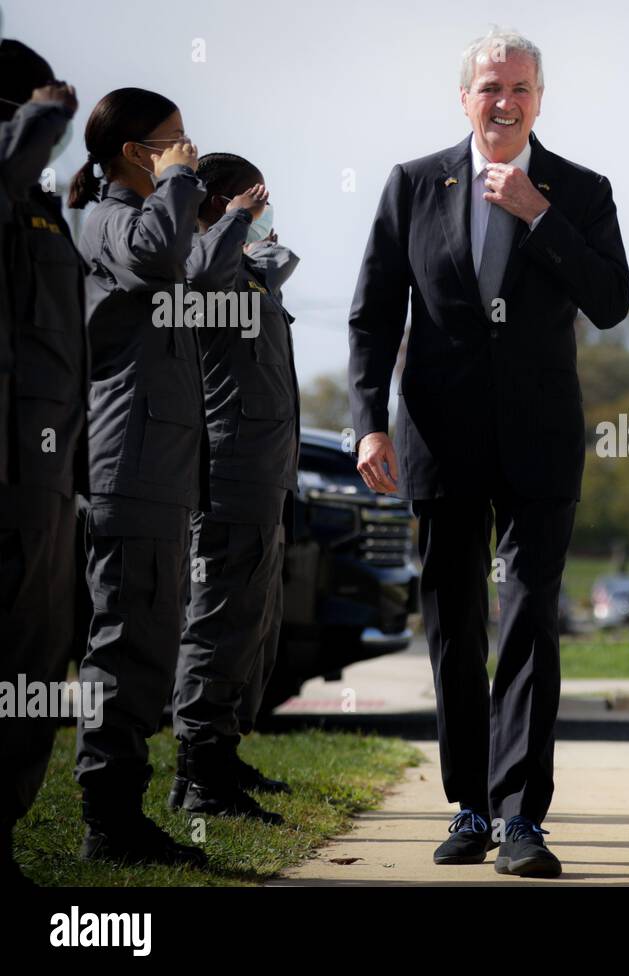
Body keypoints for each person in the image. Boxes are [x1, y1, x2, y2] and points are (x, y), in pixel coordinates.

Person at [348, 27, 629, 878]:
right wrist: (369, 420)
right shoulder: (412, 186)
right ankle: (468, 806)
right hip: (437, 438)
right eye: (488, 88)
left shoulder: (580, 190)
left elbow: (612, 300)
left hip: (541, 441)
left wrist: (539, 218)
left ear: (540, 99)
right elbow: (371, 316)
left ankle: (520, 818)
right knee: (452, 625)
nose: (503, 102)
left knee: (531, 620)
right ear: (464, 98)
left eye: (519, 88)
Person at [67, 88, 214, 866]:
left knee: (146, 643)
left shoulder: (136, 216)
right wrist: (183, 182)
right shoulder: (116, 219)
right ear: (135, 152)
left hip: (156, 469)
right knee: (125, 644)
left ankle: (118, 816)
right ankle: (109, 821)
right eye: (174, 141)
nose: (186, 151)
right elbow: (160, 254)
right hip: (131, 466)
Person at [168, 151, 295, 825]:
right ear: (217, 202)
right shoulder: (202, 265)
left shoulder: (244, 273)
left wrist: (254, 237)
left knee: (250, 623)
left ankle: (222, 752)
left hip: (263, 476)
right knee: (217, 622)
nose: (265, 207)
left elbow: (255, 275)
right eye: (253, 198)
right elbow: (197, 279)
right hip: (229, 476)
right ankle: (198, 776)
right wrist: (231, 221)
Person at [0, 40, 86, 886]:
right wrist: (44, 114)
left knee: (37, 664)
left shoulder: (40, 203)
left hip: (49, 477)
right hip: (11, 472)